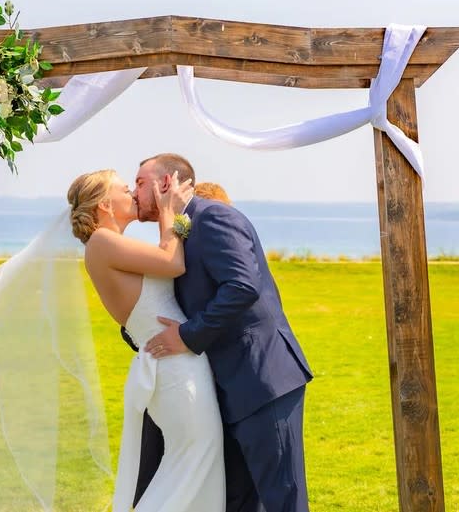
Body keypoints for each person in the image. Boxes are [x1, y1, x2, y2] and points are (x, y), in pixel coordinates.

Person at [133, 153, 313, 512]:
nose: (132, 190)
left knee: (284, 501)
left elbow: (242, 286)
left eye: (140, 182)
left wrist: (187, 336)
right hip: (224, 391)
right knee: (238, 504)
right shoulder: (177, 234)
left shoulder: (214, 217)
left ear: (165, 183)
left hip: (261, 379)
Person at [67, 169, 225, 512]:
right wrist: (170, 209)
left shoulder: (111, 245)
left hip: (175, 363)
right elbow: (172, 261)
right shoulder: (101, 242)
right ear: (106, 205)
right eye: (126, 189)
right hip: (174, 367)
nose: (133, 194)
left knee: (192, 460)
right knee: (193, 459)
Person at [120, 178, 233, 507]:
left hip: (196, 373)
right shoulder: (170, 251)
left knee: (191, 471)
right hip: (175, 375)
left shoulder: (207, 250)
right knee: (177, 472)